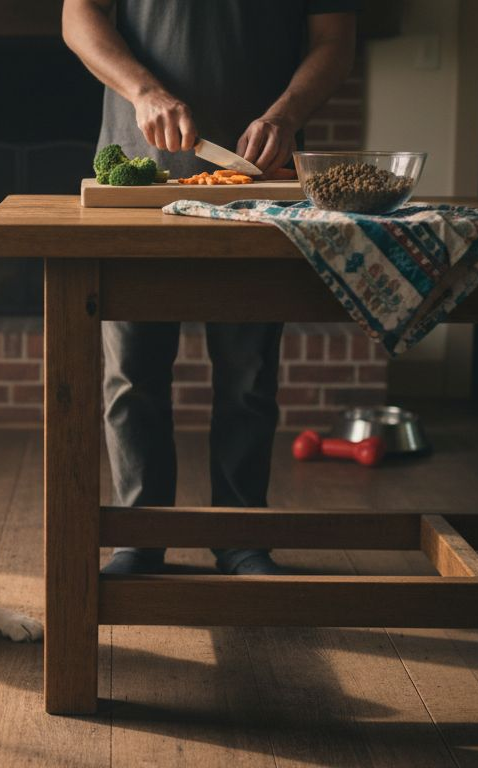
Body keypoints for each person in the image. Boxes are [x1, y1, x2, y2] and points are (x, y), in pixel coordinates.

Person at [63, 0, 358, 575]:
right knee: (132, 374)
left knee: (248, 374)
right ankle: (140, 537)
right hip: (137, 176)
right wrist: (144, 90)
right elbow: (79, 17)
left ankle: (241, 538)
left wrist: (286, 113)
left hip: (260, 180)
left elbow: (334, 40)